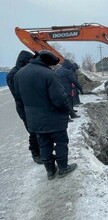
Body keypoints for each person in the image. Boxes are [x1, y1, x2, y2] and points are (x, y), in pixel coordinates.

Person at [14, 50, 77, 180]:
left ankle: (50, 171)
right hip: (53, 119)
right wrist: (68, 110)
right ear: (47, 62)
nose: (52, 67)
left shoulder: (19, 74)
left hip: (34, 120)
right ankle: (63, 168)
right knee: (61, 142)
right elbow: (59, 99)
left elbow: (19, 98)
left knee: (44, 144)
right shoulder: (49, 74)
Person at [6, 50, 42, 164]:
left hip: (31, 106)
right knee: (32, 131)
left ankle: (41, 150)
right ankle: (35, 153)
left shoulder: (21, 71)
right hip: (24, 108)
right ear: (25, 62)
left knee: (38, 130)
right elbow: (18, 95)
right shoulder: (13, 74)